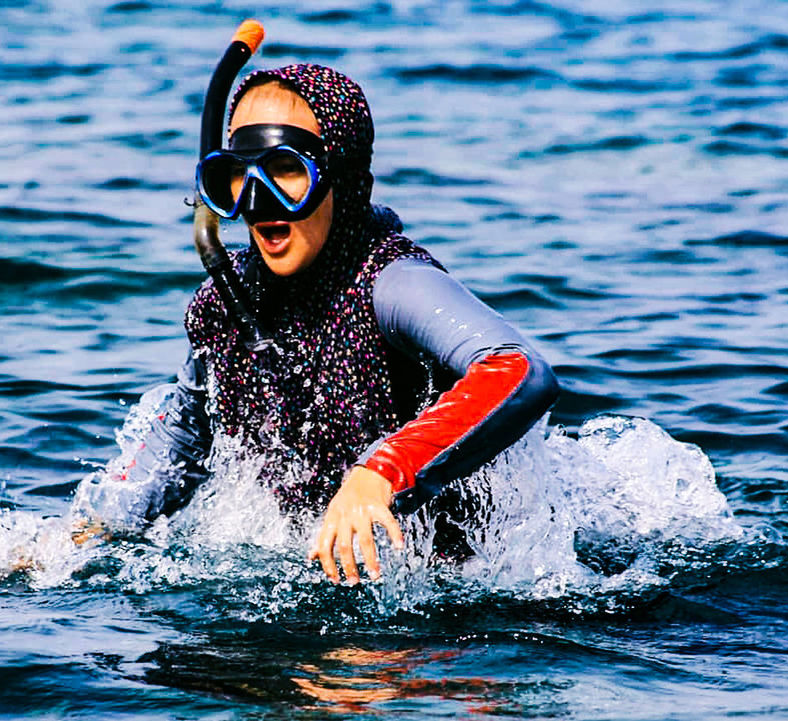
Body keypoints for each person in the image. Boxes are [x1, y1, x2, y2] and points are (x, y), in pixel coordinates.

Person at [100, 63, 558, 585]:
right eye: (236, 174)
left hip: (455, 595)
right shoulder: (227, 305)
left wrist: (381, 472)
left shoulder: (392, 283)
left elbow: (519, 371)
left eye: (286, 169)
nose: (258, 199)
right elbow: (184, 432)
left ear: (341, 179)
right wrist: (91, 536)